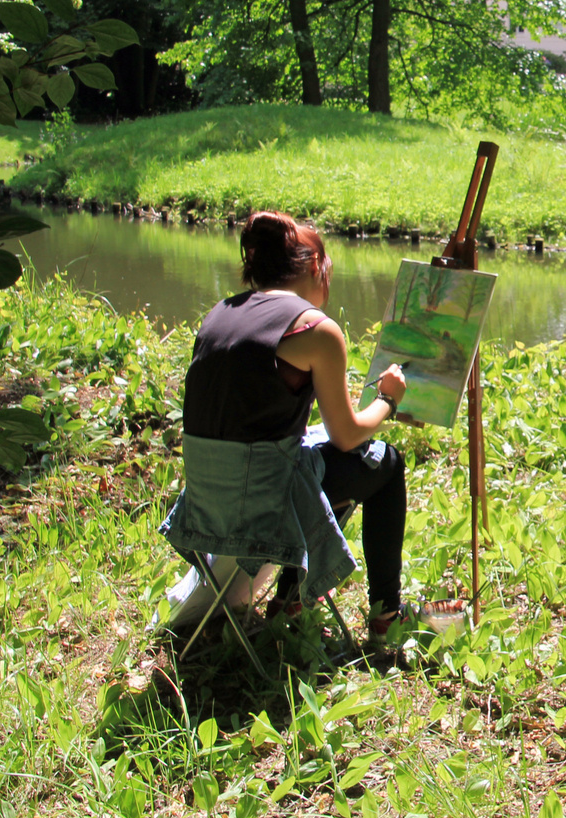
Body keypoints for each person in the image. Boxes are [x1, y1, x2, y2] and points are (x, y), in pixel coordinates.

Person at [159, 210, 413, 644]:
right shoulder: (315, 328)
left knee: (302, 456)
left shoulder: (219, 314)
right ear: (315, 267)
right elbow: (348, 434)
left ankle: (290, 597)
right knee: (385, 464)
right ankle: (386, 614)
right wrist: (387, 399)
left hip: (207, 506)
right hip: (264, 508)